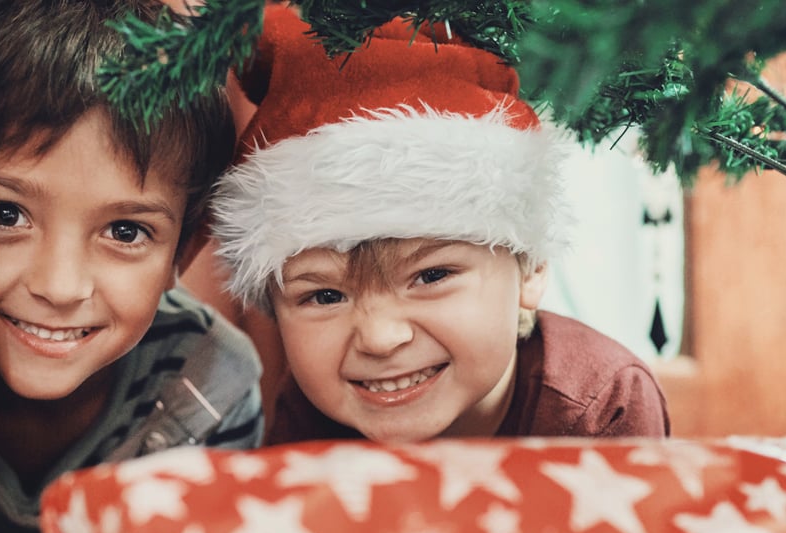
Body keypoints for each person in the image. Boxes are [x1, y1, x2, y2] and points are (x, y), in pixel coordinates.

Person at [210, 5, 669, 445]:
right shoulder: (311, 412)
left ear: (531, 267)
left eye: (432, 275)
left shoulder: (601, 405)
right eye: (325, 296)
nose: (380, 338)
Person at [0, 0, 263, 533]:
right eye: (5, 212)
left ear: (184, 253)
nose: (59, 284)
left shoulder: (206, 385)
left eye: (125, 231)